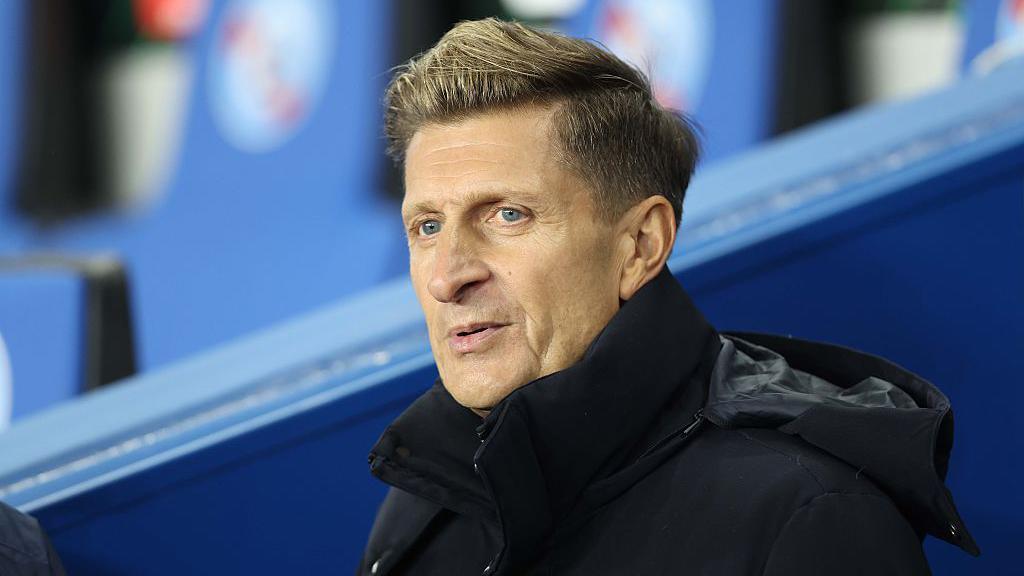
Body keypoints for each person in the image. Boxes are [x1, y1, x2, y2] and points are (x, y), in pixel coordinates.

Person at [358, 18, 977, 576]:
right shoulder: (426, 497)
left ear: (640, 244)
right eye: (428, 227)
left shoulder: (807, 514)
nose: (447, 277)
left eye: (508, 215)